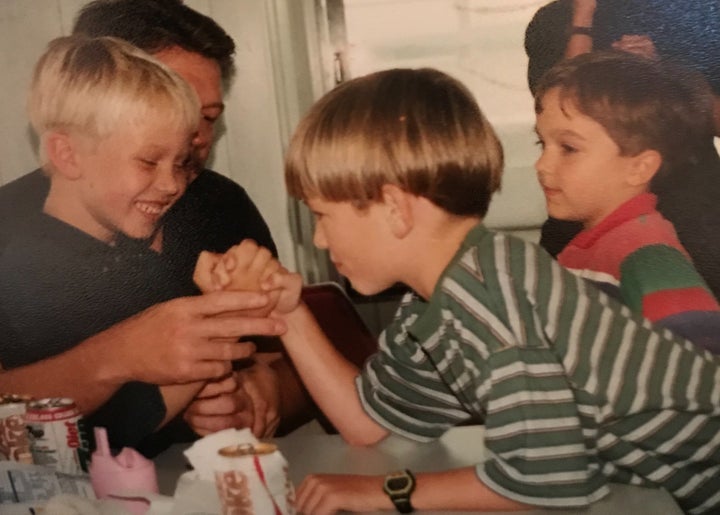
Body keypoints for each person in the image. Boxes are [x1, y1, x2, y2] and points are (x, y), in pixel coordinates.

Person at [220, 68, 719, 514]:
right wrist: (289, 313)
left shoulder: (491, 296)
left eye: (323, 215)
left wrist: (386, 492)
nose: (320, 239)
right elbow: (370, 423)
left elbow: (547, 485)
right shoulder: (436, 303)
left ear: (395, 208)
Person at [0, 0, 313, 444]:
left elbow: (295, 364)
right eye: (168, 101)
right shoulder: (16, 237)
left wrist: (264, 394)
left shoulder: (220, 203)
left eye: (206, 118)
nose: (196, 138)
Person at [524, 0, 720, 301]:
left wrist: (657, 74)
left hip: (693, 212)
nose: (541, 165)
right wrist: (582, 20)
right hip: (581, 217)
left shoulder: (692, 13)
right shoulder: (553, 19)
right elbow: (556, 109)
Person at [533, 51, 720, 353]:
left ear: (639, 167)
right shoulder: (589, 247)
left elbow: (702, 366)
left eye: (568, 148)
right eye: (542, 144)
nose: (542, 165)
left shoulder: (647, 256)